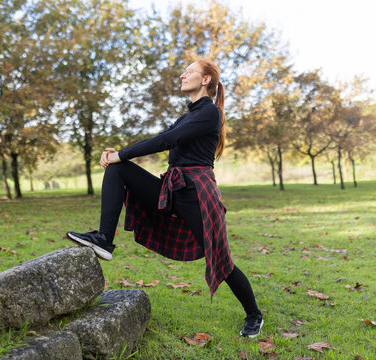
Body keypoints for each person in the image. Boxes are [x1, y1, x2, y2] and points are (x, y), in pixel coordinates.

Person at [66, 58, 263, 337]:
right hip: (173, 187)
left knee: (220, 260)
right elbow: (164, 138)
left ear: (206, 80)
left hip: (197, 195)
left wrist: (120, 153)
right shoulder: (187, 115)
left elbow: (166, 141)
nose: (183, 75)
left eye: (190, 71)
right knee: (118, 170)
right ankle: (103, 240)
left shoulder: (209, 114)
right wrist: (118, 156)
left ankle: (254, 315)